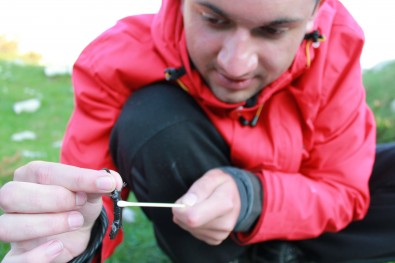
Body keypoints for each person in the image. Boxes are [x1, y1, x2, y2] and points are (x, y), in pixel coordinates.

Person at [1, 0, 395, 262]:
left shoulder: (338, 45)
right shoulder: (117, 58)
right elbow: (94, 197)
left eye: (273, 31)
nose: (236, 64)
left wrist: (252, 197)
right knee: (150, 118)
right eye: (214, 19)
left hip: (308, 212)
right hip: (210, 243)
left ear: (313, 16)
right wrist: (78, 240)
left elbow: (344, 190)